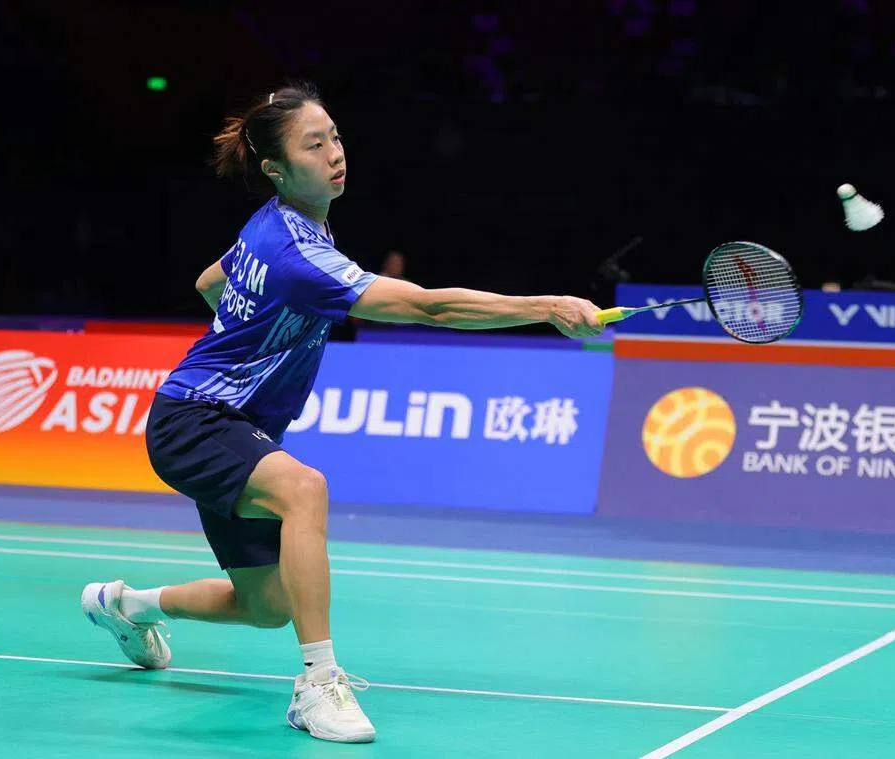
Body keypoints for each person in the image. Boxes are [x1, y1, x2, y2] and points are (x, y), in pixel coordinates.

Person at [79, 83, 602, 745]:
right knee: (305, 490)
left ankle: (125, 605)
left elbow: (211, 282)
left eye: (335, 137)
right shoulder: (299, 258)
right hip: (197, 419)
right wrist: (548, 306)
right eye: (314, 144)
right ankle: (318, 684)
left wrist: (251, 334)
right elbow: (429, 307)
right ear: (275, 168)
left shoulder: (278, 223)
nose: (334, 153)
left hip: (231, 425)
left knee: (266, 606)